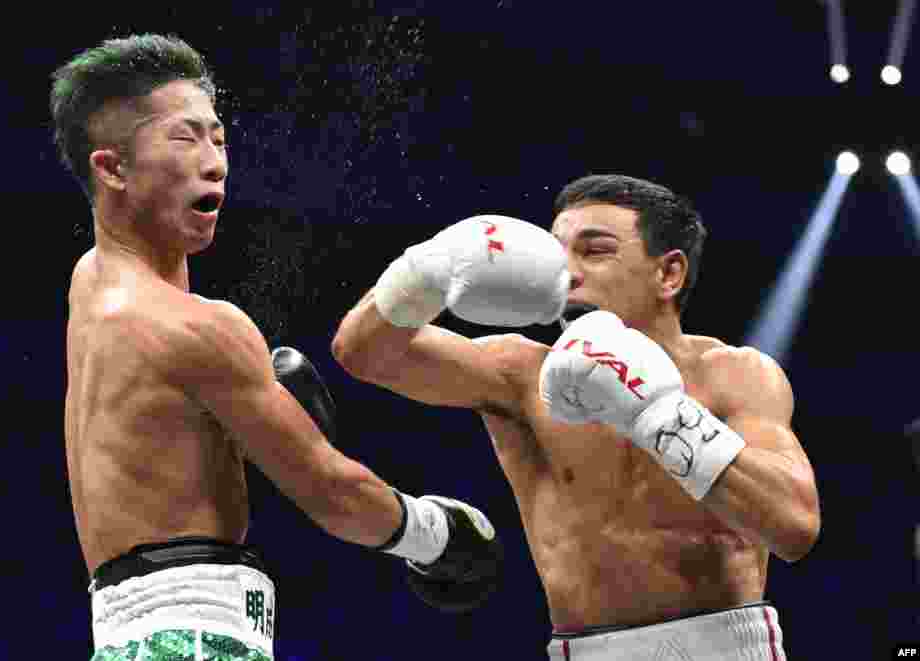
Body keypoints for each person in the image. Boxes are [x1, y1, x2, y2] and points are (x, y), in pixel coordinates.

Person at [52, 33, 502, 661]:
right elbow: (331, 493)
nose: (215, 161)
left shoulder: (90, 283)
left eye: (218, 136)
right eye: (184, 138)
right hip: (200, 642)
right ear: (112, 167)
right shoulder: (200, 326)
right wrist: (439, 537)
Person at [332, 174, 821, 660]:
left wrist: (659, 411)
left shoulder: (736, 376)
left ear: (668, 274)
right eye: (558, 253)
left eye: (595, 250)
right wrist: (427, 269)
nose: (567, 272)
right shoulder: (520, 374)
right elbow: (362, 352)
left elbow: (794, 526)